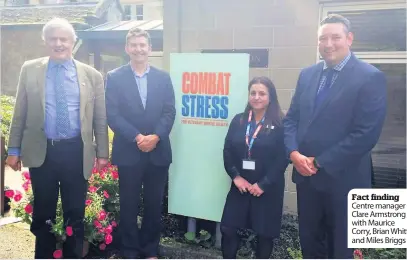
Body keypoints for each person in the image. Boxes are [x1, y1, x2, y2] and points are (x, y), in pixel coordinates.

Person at [283, 14, 387, 258]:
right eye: (323, 39)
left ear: (349, 38)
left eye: (335, 37)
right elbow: (291, 120)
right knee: (310, 246)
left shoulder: (370, 77)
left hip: (345, 184)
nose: (328, 44)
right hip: (307, 182)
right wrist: (293, 153)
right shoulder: (307, 75)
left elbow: (365, 134)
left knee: (342, 251)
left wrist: (318, 162)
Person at [6, 17, 109, 259]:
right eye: (53, 38)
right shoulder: (30, 70)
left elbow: (100, 119)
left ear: (73, 41)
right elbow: (19, 112)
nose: (59, 43)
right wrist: (13, 149)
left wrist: (102, 153)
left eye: (64, 39)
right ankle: (43, 255)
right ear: (45, 41)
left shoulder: (91, 75)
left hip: (76, 152)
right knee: (43, 213)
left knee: (76, 213)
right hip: (44, 153)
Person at [105, 27, 176, 259]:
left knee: (154, 205)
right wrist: (137, 137)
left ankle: (149, 250)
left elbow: (169, 112)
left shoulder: (163, 78)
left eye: (142, 45)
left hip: (158, 151)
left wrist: (155, 137)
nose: (138, 49)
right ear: (127, 48)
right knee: (128, 205)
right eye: (133, 45)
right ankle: (129, 251)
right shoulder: (115, 78)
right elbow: (112, 115)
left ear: (150, 48)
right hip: (129, 150)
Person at [220, 76, 289, 259]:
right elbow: (227, 150)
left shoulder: (280, 124)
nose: (256, 97)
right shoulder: (239, 121)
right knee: (228, 228)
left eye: (262, 93)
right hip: (240, 185)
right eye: (253, 93)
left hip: (267, 188)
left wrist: (263, 184)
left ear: (270, 97)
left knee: (264, 234)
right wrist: (235, 176)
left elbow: (283, 158)